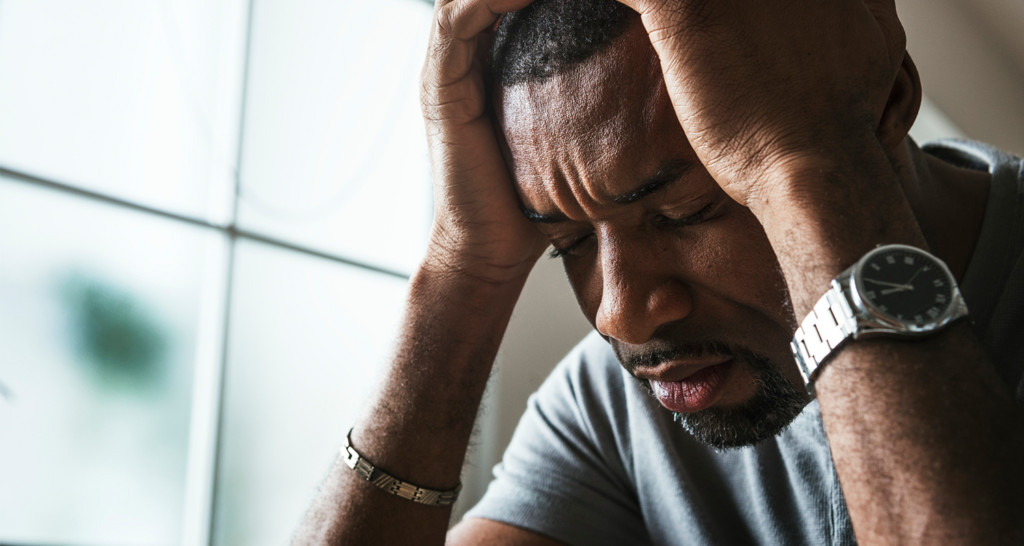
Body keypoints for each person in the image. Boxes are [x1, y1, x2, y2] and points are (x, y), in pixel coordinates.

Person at [294, 0, 1024, 543]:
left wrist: (808, 163)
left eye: (687, 212)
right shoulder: (612, 406)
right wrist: (464, 268)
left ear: (886, 101)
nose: (623, 313)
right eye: (568, 244)